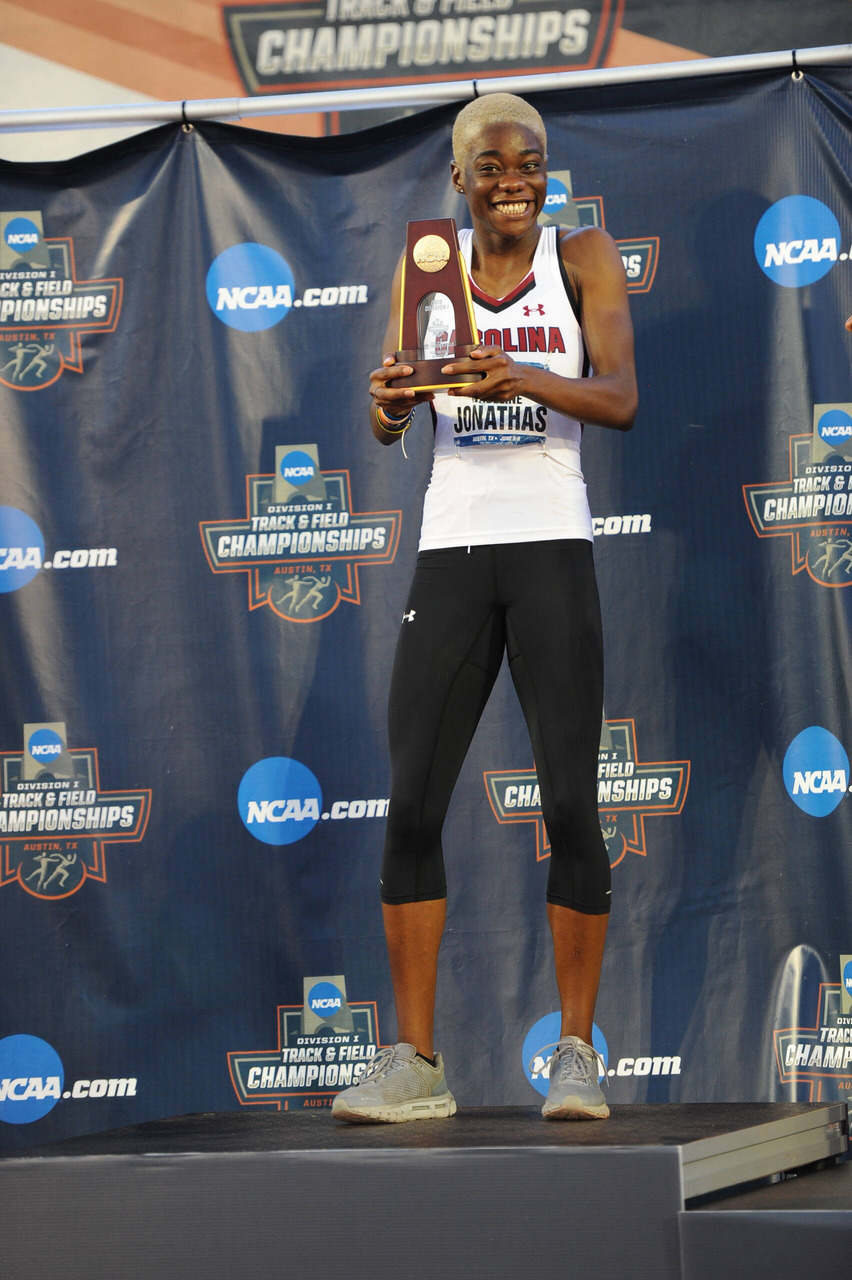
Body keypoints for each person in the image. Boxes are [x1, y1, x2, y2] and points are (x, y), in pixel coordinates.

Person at [332, 93, 637, 1125]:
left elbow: (621, 394)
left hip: (551, 542)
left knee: (569, 805)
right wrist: (387, 400)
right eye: (492, 166)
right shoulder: (428, 265)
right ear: (459, 181)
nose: (514, 179)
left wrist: (527, 377)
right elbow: (389, 418)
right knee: (413, 802)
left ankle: (579, 1055)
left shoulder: (584, 254)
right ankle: (417, 1061)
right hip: (455, 548)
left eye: (531, 162)